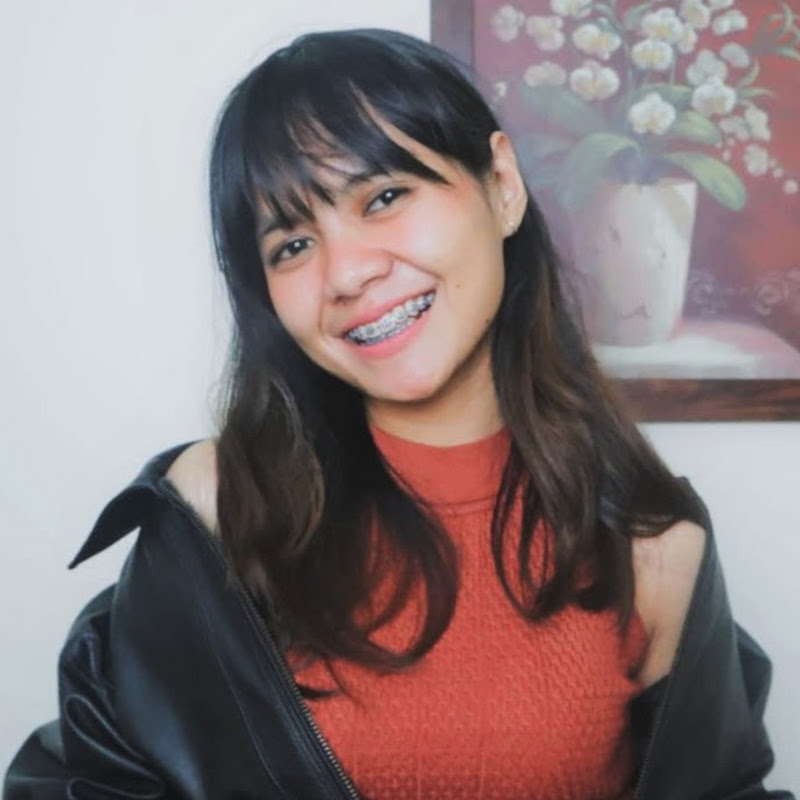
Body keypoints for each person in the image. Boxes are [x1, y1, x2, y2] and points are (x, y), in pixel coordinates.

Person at [3, 28, 792, 800]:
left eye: (383, 197)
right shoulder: (218, 512)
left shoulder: (655, 549)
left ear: (502, 185)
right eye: (291, 245)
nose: (346, 273)